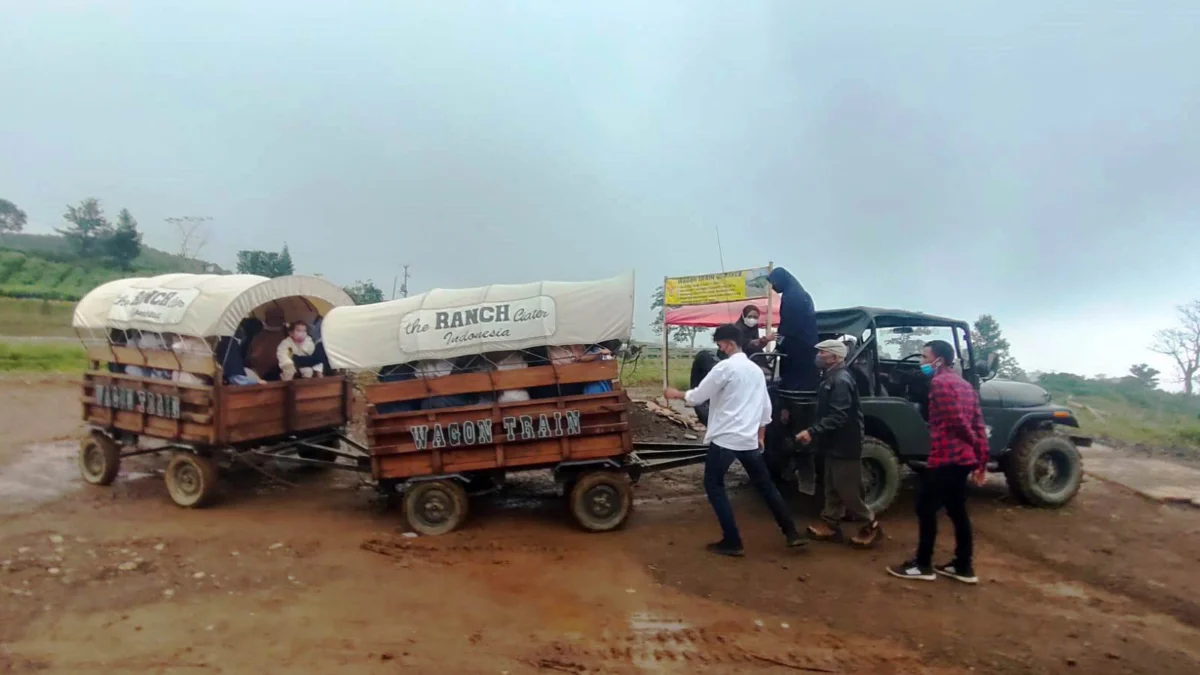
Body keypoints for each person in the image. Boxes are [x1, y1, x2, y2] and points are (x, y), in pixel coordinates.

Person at [664, 324, 804, 557]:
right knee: (766, 486)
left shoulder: (724, 368)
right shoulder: (756, 371)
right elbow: (765, 407)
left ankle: (732, 540)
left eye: (719, 344)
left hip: (726, 439)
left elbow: (698, 396)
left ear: (728, 344)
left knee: (713, 485)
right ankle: (792, 533)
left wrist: (675, 394)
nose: (719, 348)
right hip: (748, 439)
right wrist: (760, 435)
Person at [888, 340, 989, 584]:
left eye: (924, 357)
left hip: (946, 457)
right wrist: (980, 458)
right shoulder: (965, 386)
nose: (921, 362)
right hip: (963, 459)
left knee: (925, 508)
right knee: (957, 511)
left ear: (938, 360)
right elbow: (977, 423)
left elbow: (957, 422)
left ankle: (923, 565)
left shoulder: (940, 384)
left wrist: (973, 444)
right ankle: (963, 565)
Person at [795, 339, 881, 548]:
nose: (819, 357)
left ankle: (871, 526)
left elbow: (839, 415)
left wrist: (812, 431)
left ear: (834, 357)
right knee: (832, 486)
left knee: (848, 490)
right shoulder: (831, 377)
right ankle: (831, 525)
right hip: (834, 443)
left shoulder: (841, 380)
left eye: (823, 353)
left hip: (845, 443)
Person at [764, 267, 818, 391]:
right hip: (805, 344)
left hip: (797, 346)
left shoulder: (792, 297)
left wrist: (780, 342)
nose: (773, 287)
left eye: (774, 283)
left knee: (793, 382)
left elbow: (789, 324)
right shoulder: (800, 293)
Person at [246, 306, 288, 379]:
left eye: (279, 317)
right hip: (259, 378)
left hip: (282, 376)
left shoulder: (288, 334)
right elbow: (249, 358)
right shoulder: (258, 335)